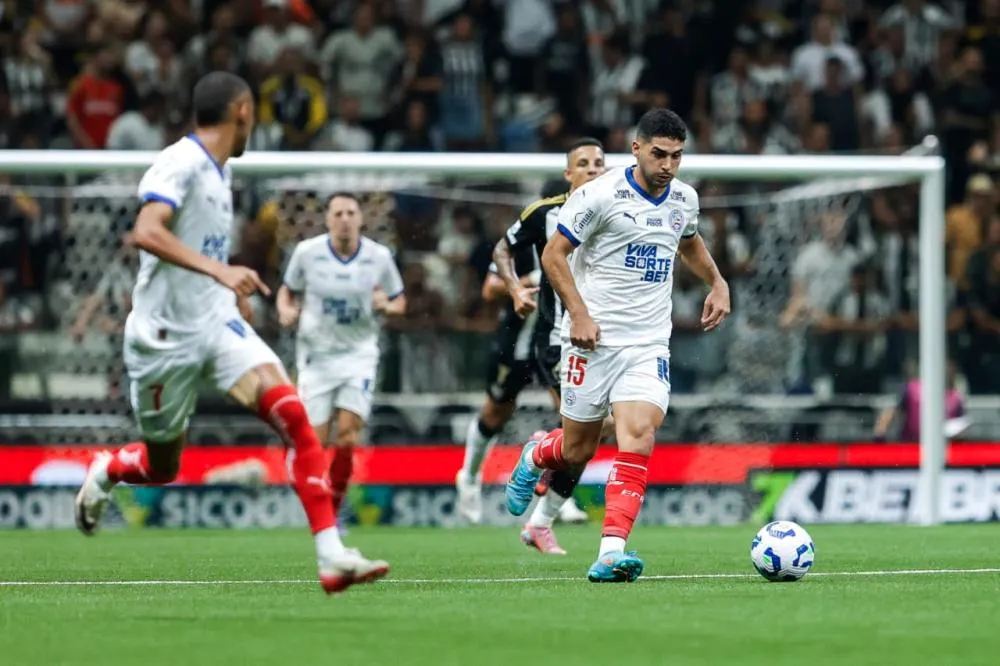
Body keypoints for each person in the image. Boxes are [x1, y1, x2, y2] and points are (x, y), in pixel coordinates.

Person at [73, 72, 389, 595]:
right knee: (161, 465)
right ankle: (107, 470)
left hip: (218, 325)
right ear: (242, 109)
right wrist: (220, 272)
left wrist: (226, 286)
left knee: (296, 418)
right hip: (162, 339)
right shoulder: (183, 162)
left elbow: (201, 250)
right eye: (254, 114)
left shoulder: (220, 173)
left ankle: (332, 556)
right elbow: (146, 231)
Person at [503, 109, 731, 582]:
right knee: (577, 449)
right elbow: (553, 255)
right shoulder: (598, 195)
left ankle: (610, 551)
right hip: (592, 341)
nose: (668, 165)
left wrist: (717, 281)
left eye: (677, 156)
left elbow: (687, 242)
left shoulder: (683, 199)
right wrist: (580, 315)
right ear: (636, 148)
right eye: (659, 154)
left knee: (639, 435)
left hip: (648, 344)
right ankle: (535, 454)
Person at [454, 140, 606, 546]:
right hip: (522, 335)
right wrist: (520, 288)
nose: (592, 170)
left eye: (599, 163)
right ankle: (470, 476)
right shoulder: (540, 223)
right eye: (583, 164)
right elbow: (489, 286)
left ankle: (549, 501)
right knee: (497, 412)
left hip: (570, 337)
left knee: (583, 427)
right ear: (567, 173)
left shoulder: (612, 211)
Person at [276, 192, 406, 525]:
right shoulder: (307, 253)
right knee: (314, 445)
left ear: (361, 219)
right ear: (328, 219)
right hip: (316, 356)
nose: (345, 218)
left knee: (347, 437)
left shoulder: (378, 256)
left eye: (351, 212)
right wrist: (286, 310)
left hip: (358, 355)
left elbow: (399, 301)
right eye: (338, 213)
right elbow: (287, 290)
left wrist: (386, 306)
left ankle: (331, 510)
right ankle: (316, 498)